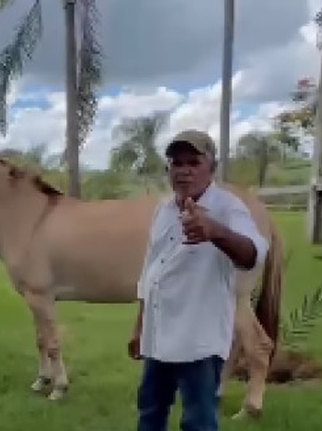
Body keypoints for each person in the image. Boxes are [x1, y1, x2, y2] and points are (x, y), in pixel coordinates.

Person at [128, 130, 269, 431]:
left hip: (199, 340)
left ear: (211, 168)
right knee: (150, 409)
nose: (184, 171)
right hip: (158, 333)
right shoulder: (164, 209)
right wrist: (140, 326)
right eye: (176, 163)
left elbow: (254, 254)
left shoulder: (227, 207)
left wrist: (215, 231)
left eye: (193, 162)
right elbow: (151, 270)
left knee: (198, 419)